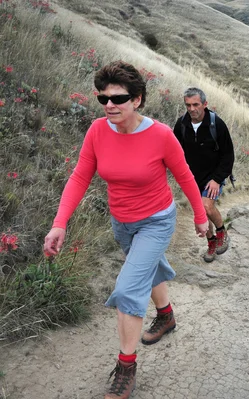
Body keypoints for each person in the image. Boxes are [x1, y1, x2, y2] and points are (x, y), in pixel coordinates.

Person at [43, 61, 209, 399]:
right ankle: (166, 316)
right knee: (146, 268)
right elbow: (79, 177)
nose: (109, 105)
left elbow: (185, 176)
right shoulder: (97, 131)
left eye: (118, 98)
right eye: (103, 98)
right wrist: (60, 223)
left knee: (129, 287)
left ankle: (125, 366)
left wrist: (199, 215)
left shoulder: (161, 135)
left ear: (138, 100)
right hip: (122, 223)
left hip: (157, 221)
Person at [173, 87, 235, 263]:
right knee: (199, 213)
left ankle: (222, 232)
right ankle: (212, 242)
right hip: (191, 178)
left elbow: (228, 155)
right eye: (188, 105)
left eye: (195, 104)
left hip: (213, 176)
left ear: (205, 104)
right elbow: (173, 151)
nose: (192, 109)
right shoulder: (181, 125)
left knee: (206, 207)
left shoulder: (217, 124)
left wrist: (217, 179)